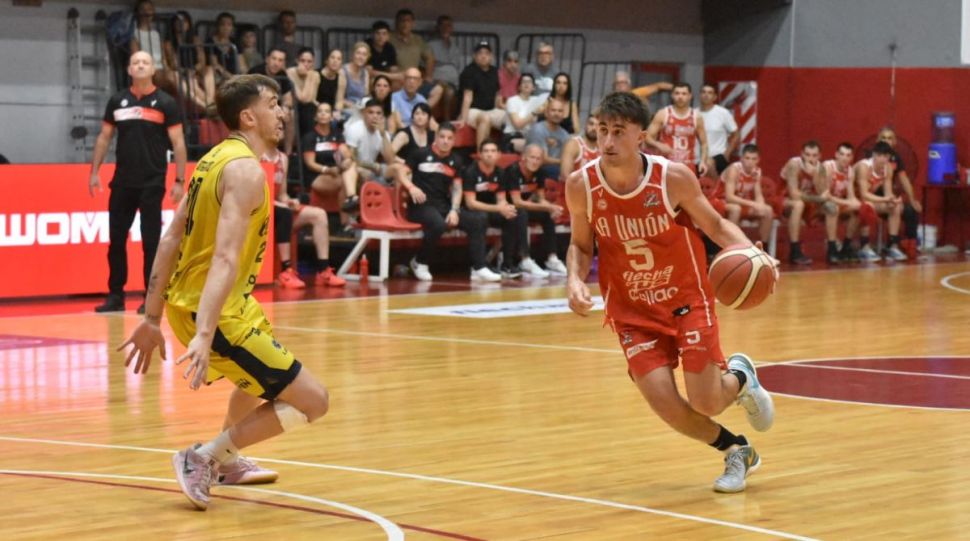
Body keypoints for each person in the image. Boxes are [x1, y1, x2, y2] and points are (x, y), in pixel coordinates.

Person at [118, 74, 331, 511]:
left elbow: (170, 239)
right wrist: (204, 332)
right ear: (248, 117)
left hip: (217, 304)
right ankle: (205, 457)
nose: (282, 113)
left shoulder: (213, 160)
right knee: (313, 401)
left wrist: (152, 317)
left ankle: (228, 461)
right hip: (216, 312)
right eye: (273, 104)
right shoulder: (246, 171)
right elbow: (226, 258)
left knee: (252, 383)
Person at [565, 92, 776, 493]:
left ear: (641, 137)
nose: (607, 141)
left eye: (618, 132)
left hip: (685, 298)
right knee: (665, 404)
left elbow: (715, 226)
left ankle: (741, 377)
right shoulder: (581, 186)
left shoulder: (671, 178)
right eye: (603, 130)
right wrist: (574, 279)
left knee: (706, 401)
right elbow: (580, 244)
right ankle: (737, 450)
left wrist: (753, 253)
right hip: (632, 310)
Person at [89, 51, 187, 314]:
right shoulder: (117, 101)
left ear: (153, 69)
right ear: (129, 69)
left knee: (151, 243)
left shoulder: (166, 103)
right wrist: (94, 172)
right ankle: (115, 296)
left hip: (152, 182)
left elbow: (178, 142)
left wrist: (179, 179)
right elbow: (104, 137)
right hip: (122, 183)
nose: (140, 65)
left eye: (145, 62)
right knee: (116, 240)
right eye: (136, 62)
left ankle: (150, 297)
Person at [398, 123, 500, 283]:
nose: (445, 141)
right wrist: (411, 187)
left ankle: (478, 268)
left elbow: (457, 188)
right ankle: (419, 262)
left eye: (449, 138)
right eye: (442, 137)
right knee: (439, 224)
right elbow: (401, 172)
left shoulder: (456, 160)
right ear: (436, 137)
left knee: (478, 219)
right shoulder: (420, 153)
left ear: (454, 141)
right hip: (420, 206)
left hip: (443, 206)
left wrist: (454, 210)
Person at [267, 146, 347, 289]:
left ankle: (323, 271)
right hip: (260, 211)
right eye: (276, 132)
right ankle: (285, 271)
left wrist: (289, 201)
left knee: (319, 215)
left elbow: (282, 194)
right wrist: (279, 204)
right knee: (284, 212)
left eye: (280, 132)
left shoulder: (283, 158)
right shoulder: (255, 155)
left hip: (278, 209)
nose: (279, 133)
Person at [503, 144, 566, 276]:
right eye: (532, 157)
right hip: (507, 209)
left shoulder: (540, 172)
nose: (535, 161)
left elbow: (540, 199)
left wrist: (552, 208)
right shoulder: (512, 171)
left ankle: (552, 258)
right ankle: (524, 259)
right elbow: (517, 202)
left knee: (547, 215)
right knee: (521, 213)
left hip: (524, 208)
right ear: (524, 157)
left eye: (538, 158)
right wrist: (548, 206)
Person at [462, 140, 521, 275]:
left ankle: (507, 264)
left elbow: (501, 200)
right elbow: (471, 203)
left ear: (499, 154)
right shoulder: (470, 171)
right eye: (486, 151)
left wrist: (506, 209)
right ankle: (479, 266)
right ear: (479, 154)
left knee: (514, 215)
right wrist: (499, 208)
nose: (489, 154)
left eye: (493, 151)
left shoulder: (500, 172)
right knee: (481, 218)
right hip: (469, 212)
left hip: (490, 210)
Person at [302, 102, 358, 216]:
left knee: (352, 165)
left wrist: (347, 161)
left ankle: (351, 198)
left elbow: (346, 153)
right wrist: (327, 170)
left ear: (331, 117)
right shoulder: (310, 137)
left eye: (327, 111)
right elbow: (310, 164)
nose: (323, 114)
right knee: (344, 181)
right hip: (317, 175)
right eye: (320, 111)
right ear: (315, 117)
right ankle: (347, 218)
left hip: (336, 171)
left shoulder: (336, 135)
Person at [854, 141, 907, 262]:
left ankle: (892, 246)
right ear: (873, 155)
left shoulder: (888, 168)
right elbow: (864, 194)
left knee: (896, 206)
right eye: (879, 155)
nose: (882, 159)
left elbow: (888, 193)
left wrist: (893, 199)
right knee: (867, 206)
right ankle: (864, 247)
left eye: (885, 156)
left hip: (868, 200)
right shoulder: (864, 167)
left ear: (889, 157)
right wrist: (885, 199)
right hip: (852, 199)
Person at [645, 82, 709, 177]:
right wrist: (658, 145)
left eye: (684, 94)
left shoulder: (696, 117)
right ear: (672, 95)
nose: (680, 97)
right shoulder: (663, 114)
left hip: (687, 165)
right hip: (666, 165)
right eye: (677, 93)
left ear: (690, 96)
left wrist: (703, 162)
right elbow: (646, 137)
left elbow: (704, 143)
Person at [721, 145, 776, 244]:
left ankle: (763, 246)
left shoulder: (757, 172)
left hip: (740, 203)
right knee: (736, 209)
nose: (750, 162)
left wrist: (761, 205)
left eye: (753, 159)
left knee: (768, 210)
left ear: (758, 160)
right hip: (720, 200)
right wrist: (753, 204)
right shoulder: (734, 169)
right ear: (741, 158)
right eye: (747, 158)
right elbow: (729, 197)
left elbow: (758, 194)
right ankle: (731, 245)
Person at [817, 142, 862, 264]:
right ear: (836, 155)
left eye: (848, 155)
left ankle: (845, 247)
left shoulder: (850, 171)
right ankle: (831, 249)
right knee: (832, 208)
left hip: (836, 202)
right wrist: (848, 202)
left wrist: (859, 204)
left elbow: (852, 197)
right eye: (842, 154)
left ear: (852, 157)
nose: (844, 158)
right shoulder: (827, 167)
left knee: (859, 209)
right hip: (817, 203)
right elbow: (825, 196)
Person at [877, 127, 921, 247]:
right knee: (895, 207)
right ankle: (893, 244)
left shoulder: (896, 158)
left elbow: (904, 180)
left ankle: (910, 244)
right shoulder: (871, 157)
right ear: (878, 140)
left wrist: (912, 200)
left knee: (911, 209)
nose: (886, 141)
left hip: (889, 196)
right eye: (883, 138)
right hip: (874, 197)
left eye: (889, 138)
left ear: (894, 142)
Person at [779, 141, 822, 265]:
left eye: (814, 155)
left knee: (831, 207)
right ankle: (794, 250)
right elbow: (793, 194)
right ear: (802, 154)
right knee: (798, 205)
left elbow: (823, 193)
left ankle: (836, 247)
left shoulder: (820, 168)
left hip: (807, 201)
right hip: (783, 199)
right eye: (807, 155)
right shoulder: (794, 164)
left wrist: (815, 175)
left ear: (819, 156)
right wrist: (817, 198)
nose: (810, 159)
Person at [248, 47, 295, 155]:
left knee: (291, 114)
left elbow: (288, 98)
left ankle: (288, 154)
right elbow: (248, 97)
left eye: (280, 60)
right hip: (257, 107)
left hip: (275, 108)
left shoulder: (283, 75)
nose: (276, 63)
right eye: (274, 59)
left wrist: (286, 107)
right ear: (267, 59)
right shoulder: (255, 72)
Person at [458, 41, 504, 149]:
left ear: (491, 56)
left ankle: (509, 147)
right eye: (480, 53)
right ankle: (481, 153)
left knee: (511, 117)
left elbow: (497, 95)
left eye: (486, 53)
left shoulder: (495, 71)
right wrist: (463, 119)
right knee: (485, 118)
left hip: (491, 110)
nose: (483, 56)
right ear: (475, 56)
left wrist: (503, 107)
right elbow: (467, 97)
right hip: (472, 111)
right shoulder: (469, 71)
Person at [697, 83, 738, 177]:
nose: (706, 95)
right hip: (697, 158)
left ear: (715, 97)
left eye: (709, 93)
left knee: (709, 167)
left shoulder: (723, 113)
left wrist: (727, 153)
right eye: (703, 92)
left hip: (718, 156)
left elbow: (736, 134)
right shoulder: (694, 113)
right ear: (700, 95)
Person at [526, 96, 570, 181]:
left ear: (563, 115)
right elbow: (542, 159)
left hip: (556, 168)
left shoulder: (565, 135)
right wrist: (565, 162)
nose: (557, 114)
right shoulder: (538, 129)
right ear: (546, 113)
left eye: (560, 111)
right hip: (538, 168)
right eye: (553, 110)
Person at [426, 15, 462, 118]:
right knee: (449, 92)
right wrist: (435, 80)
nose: (446, 28)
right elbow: (426, 68)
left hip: (455, 82)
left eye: (449, 25)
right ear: (437, 28)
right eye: (443, 25)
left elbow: (457, 67)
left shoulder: (455, 47)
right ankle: (447, 121)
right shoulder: (430, 45)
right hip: (438, 81)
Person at [502, 73, 545, 153]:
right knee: (534, 147)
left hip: (529, 137)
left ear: (534, 87)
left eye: (529, 82)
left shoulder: (537, 100)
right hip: (512, 136)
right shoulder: (512, 101)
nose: (526, 84)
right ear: (519, 87)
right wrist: (534, 113)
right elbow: (518, 125)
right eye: (523, 82)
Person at [287, 47, 321, 136]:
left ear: (313, 63)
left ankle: (307, 142)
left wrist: (309, 75)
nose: (306, 64)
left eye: (309, 62)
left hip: (308, 107)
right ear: (297, 61)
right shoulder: (290, 72)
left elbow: (307, 99)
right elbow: (301, 98)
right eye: (302, 61)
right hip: (294, 105)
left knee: (309, 108)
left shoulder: (315, 75)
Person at [560, 112, 600, 183]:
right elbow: (565, 176)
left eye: (598, 126)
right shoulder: (574, 144)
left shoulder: (602, 149)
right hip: (572, 188)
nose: (594, 128)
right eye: (591, 124)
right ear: (585, 125)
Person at [390, 67, 429, 133]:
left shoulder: (422, 100)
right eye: (409, 78)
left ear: (420, 82)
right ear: (403, 80)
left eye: (415, 79)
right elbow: (399, 124)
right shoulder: (393, 98)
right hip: (400, 133)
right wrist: (414, 135)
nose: (411, 81)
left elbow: (430, 122)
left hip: (418, 134)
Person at [366, 21, 401, 85]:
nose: (381, 37)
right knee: (372, 81)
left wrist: (394, 76)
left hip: (385, 78)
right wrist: (390, 76)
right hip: (368, 79)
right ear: (372, 34)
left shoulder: (389, 48)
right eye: (378, 33)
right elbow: (369, 72)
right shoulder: (367, 46)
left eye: (384, 34)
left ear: (388, 36)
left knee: (398, 82)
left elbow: (394, 70)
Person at [317, 49, 346, 116]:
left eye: (339, 59)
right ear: (327, 60)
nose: (335, 61)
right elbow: (312, 100)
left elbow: (339, 101)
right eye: (332, 57)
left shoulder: (341, 79)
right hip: (317, 110)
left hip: (331, 112)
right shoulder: (316, 75)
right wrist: (324, 111)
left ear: (341, 63)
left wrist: (337, 111)